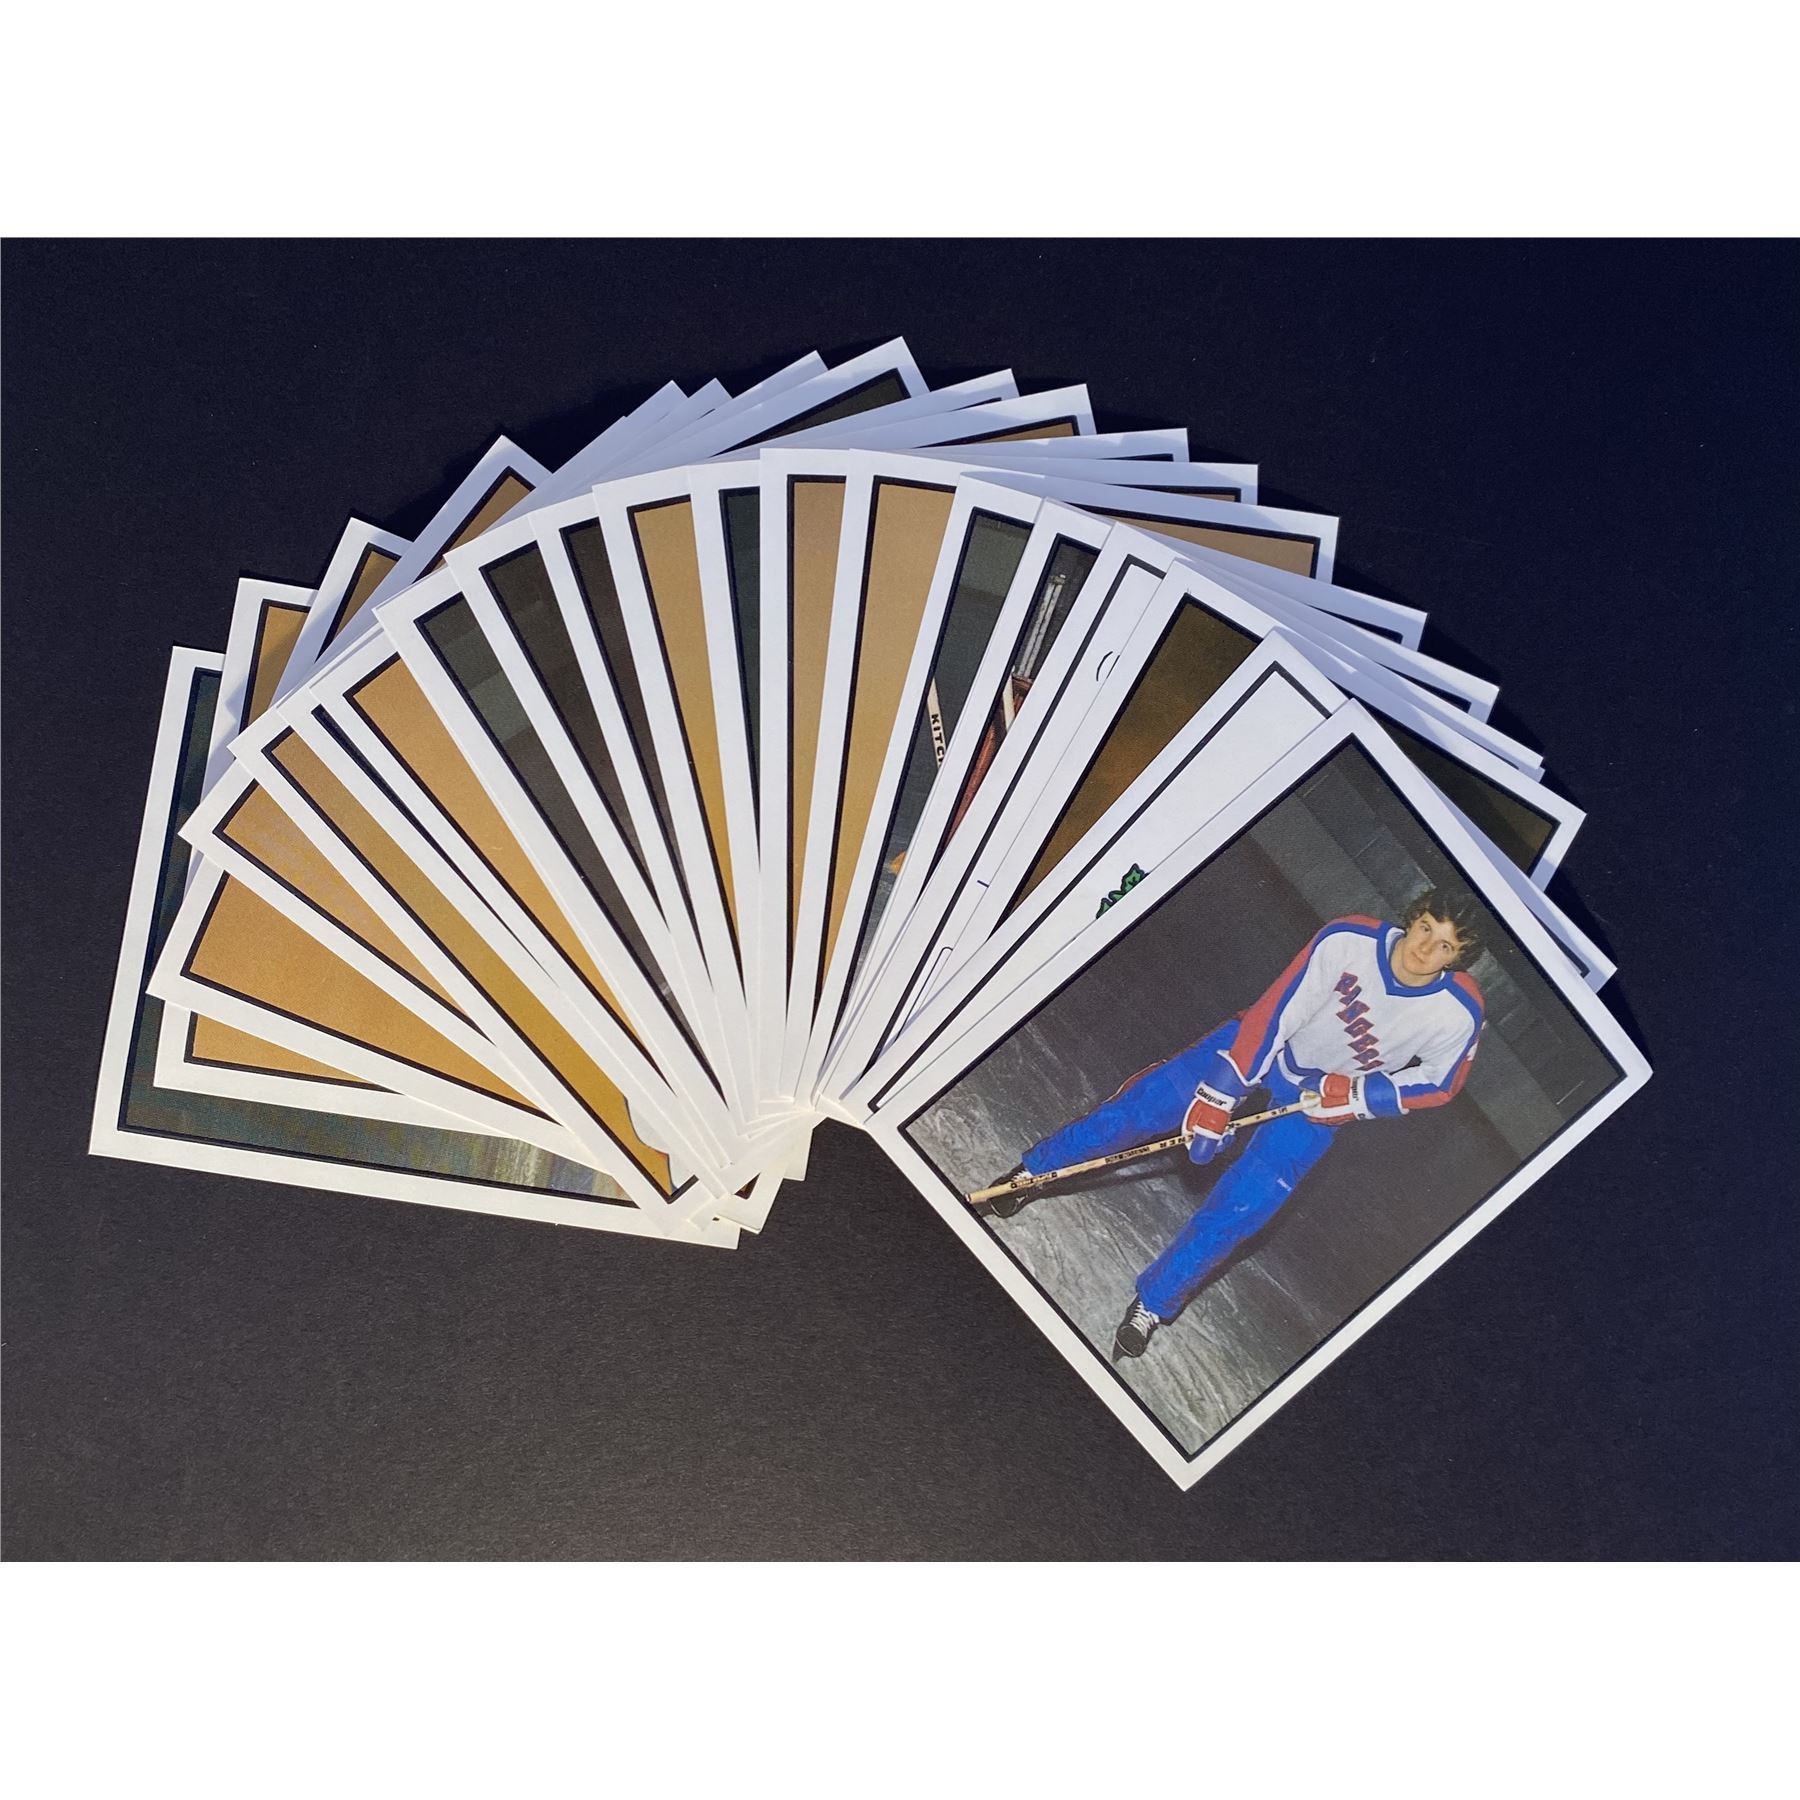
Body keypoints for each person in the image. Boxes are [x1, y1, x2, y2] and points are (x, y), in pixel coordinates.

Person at [983, 890, 1486, 1360]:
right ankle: (1033, 1173)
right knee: (1138, 1110)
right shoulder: (1350, 939)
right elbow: (1278, 1012)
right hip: (1261, 1045)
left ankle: (1154, 1303)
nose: (1425, 948)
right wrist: (1220, 1095)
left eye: (1444, 946)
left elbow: (1440, 1083)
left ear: (1457, 959)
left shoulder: (1458, 1013)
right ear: (1412, 918)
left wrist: (1359, 1096)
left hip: (1320, 1099)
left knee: (1247, 1206)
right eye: (1425, 927)